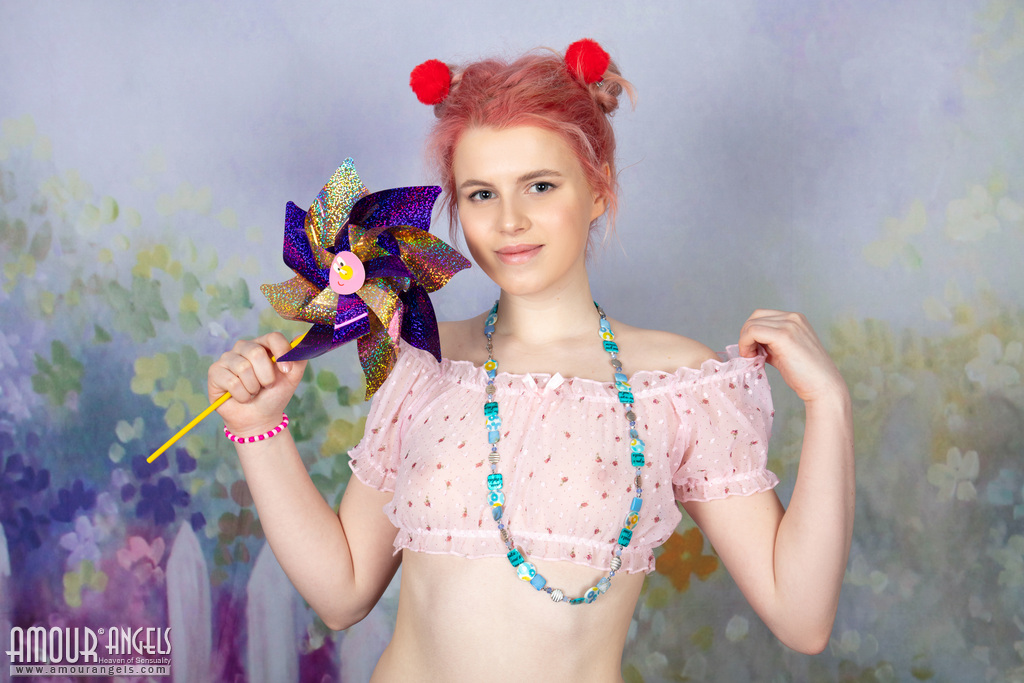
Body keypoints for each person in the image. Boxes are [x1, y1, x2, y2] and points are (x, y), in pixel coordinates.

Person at [207, 39, 854, 682]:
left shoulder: (675, 385)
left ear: (597, 189)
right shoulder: (424, 363)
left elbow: (802, 618)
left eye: (540, 186)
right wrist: (257, 427)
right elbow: (342, 592)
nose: (510, 220)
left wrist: (829, 405)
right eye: (481, 194)